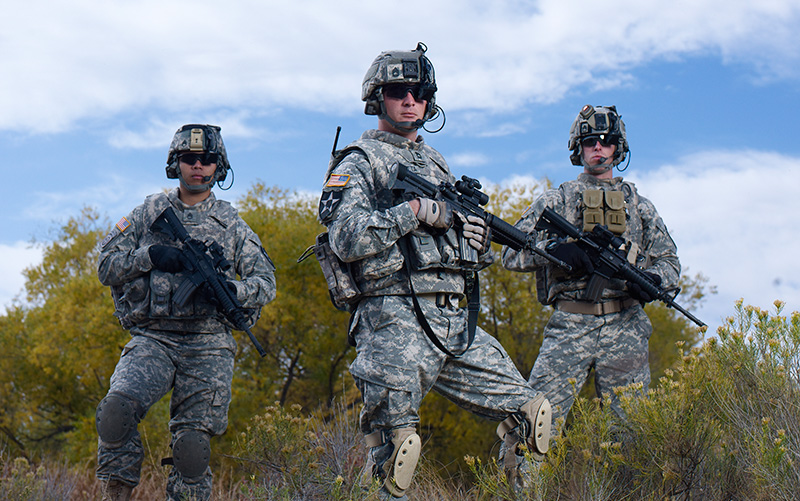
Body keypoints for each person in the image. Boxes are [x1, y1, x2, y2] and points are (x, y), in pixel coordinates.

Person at [318, 43, 551, 499]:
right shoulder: (359, 162)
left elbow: (455, 247)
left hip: (452, 318)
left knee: (533, 415)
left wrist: (478, 246)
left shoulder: (437, 162)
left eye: (421, 92)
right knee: (396, 453)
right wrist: (414, 210)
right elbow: (345, 239)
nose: (411, 100)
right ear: (376, 98)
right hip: (393, 318)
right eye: (399, 90)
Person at [95, 124, 276, 501]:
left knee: (192, 449)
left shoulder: (232, 225)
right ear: (174, 164)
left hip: (208, 343)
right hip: (153, 338)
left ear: (219, 166)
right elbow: (105, 267)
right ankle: (116, 492)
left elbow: (266, 282)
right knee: (114, 413)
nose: (198, 166)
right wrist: (150, 256)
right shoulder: (148, 214)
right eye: (188, 158)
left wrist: (234, 290)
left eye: (206, 159)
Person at [502, 104, 681, 436]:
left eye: (606, 141)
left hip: (626, 324)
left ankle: (629, 491)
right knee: (534, 425)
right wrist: (556, 250)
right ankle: (521, 488)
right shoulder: (557, 201)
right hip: (571, 322)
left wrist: (654, 280)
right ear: (578, 148)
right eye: (590, 142)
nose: (598, 148)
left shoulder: (640, 207)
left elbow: (669, 263)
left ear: (618, 147)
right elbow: (511, 254)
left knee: (633, 435)